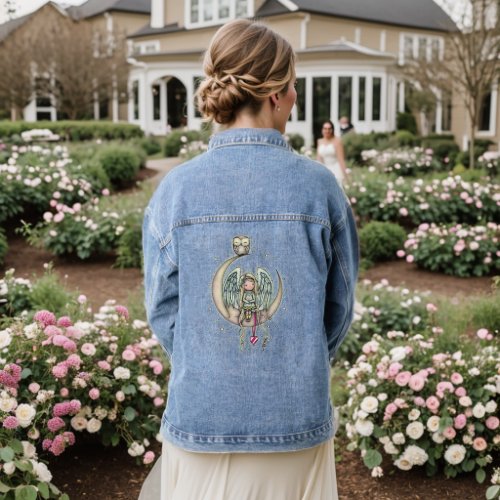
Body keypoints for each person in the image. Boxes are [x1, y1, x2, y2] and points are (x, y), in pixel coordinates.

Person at [141, 19, 358, 500]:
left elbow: (163, 310)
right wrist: (294, 356)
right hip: (294, 417)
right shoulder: (318, 187)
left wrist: (211, 359)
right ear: (278, 94)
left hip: (202, 415)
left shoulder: (175, 190)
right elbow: (339, 309)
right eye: (295, 85)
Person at [316, 120, 349, 185]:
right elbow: (319, 159)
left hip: (336, 171)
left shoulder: (337, 141)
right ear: (322, 130)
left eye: (329, 129)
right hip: (324, 170)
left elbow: (341, 160)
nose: (327, 131)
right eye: (325, 128)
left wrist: (346, 177)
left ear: (332, 130)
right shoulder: (319, 141)